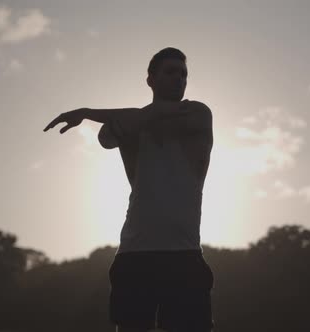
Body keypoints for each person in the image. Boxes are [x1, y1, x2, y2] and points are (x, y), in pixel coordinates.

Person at [43, 47, 215, 332]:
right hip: (136, 254)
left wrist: (87, 112)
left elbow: (142, 117)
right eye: (170, 72)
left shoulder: (198, 113)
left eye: (184, 74)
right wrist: (115, 120)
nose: (179, 79)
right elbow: (106, 138)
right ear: (150, 80)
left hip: (184, 254)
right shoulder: (131, 125)